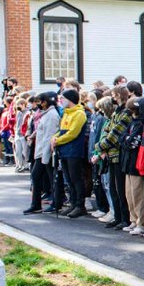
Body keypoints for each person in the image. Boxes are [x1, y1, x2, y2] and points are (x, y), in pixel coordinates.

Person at [95, 89, 132, 229]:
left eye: (113, 95)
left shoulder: (126, 114)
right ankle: (117, 216)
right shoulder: (116, 113)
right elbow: (106, 131)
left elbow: (115, 135)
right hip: (110, 156)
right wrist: (101, 147)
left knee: (120, 190)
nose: (112, 97)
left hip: (118, 156)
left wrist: (100, 146)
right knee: (113, 189)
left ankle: (124, 218)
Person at [52, 89, 89, 218]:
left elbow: (73, 133)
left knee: (76, 178)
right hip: (64, 150)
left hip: (74, 150)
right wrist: (55, 138)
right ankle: (73, 202)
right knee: (68, 179)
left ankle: (80, 204)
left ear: (70, 99)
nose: (61, 100)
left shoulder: (79, 114)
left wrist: (58, 140)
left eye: (63, 98)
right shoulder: (66, 113)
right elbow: (62, 130)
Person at [122, 97, 144, 236]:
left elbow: (131, 142)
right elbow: (123, 138)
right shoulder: (134, 123)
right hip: (129, 163)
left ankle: (143, 222)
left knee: (138, 195)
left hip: (138, 164)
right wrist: (126, 140)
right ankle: (134, 220)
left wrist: (126, 140)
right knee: (129, 195)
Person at [24, 93, 59, 214]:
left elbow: (49, 136)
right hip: (41, 151)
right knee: (36, 177)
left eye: (39, 101)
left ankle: (55, 203)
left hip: (46, 152)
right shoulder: (45, 114)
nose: (37, 104)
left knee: (50, 178)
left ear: (45, 102)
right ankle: (36, 204)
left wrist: (46, 154)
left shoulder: (51, 115)